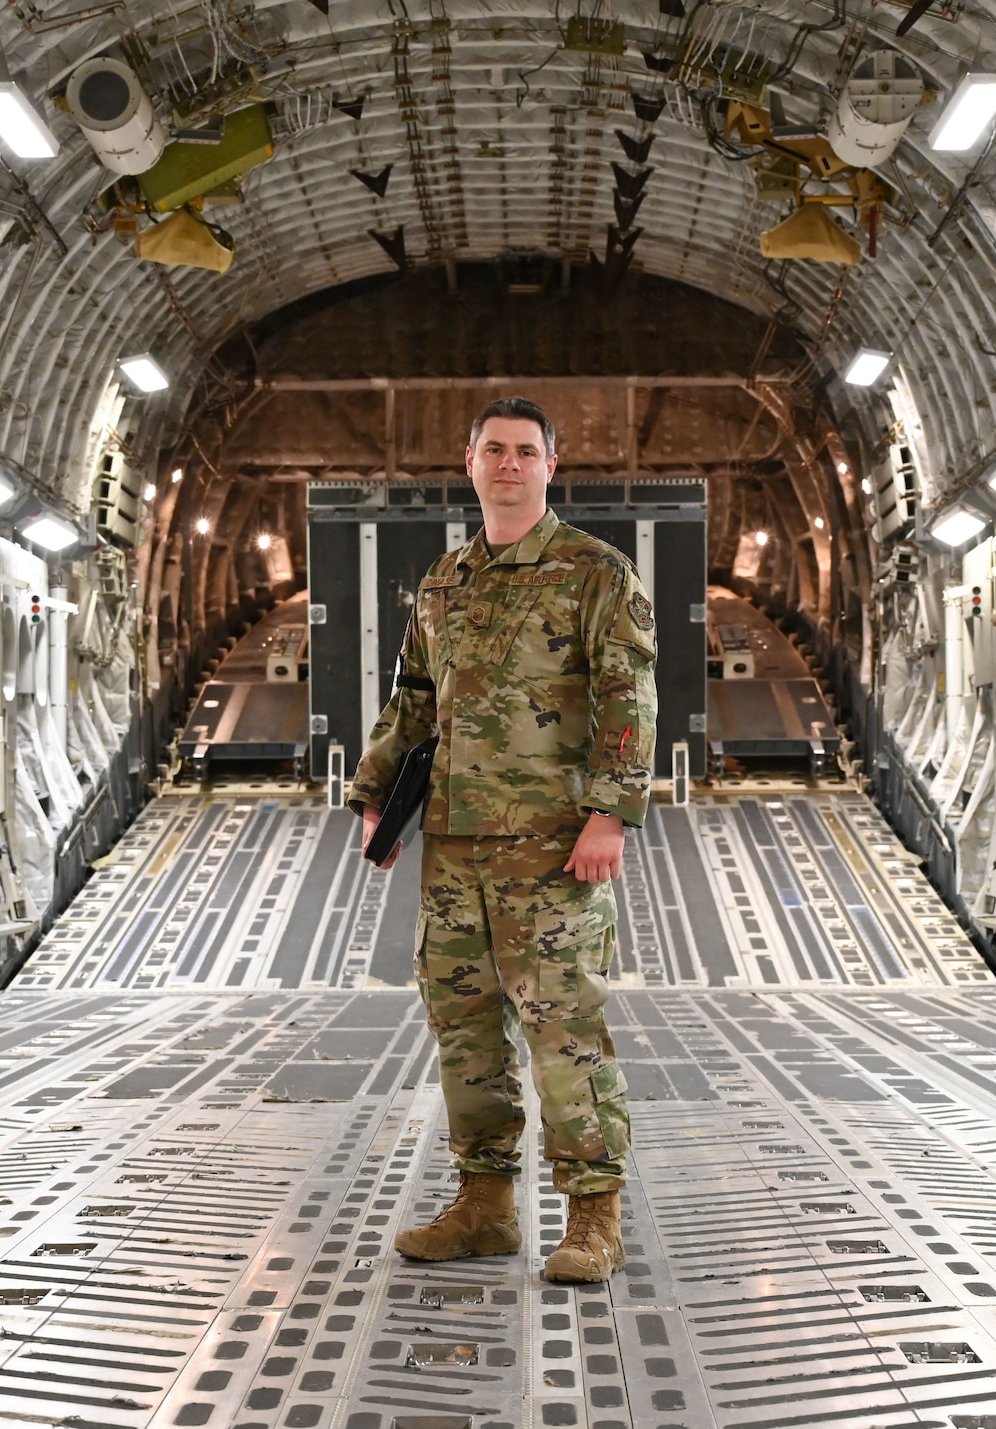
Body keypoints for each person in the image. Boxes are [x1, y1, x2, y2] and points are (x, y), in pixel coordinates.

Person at [347, 395, 658, 1283]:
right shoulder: (444, 583)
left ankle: (593, 1217)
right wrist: (376, 793)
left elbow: (630, 695)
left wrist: (610, 811)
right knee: (465, 1029)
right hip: (454, 843)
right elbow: (413, 696)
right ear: (471, 461)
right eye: (495, 449)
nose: (510, 463)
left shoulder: (595, 572)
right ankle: (484, 1208)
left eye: (527, 450)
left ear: (551, 465)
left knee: (563, 1028)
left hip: (553, 844)